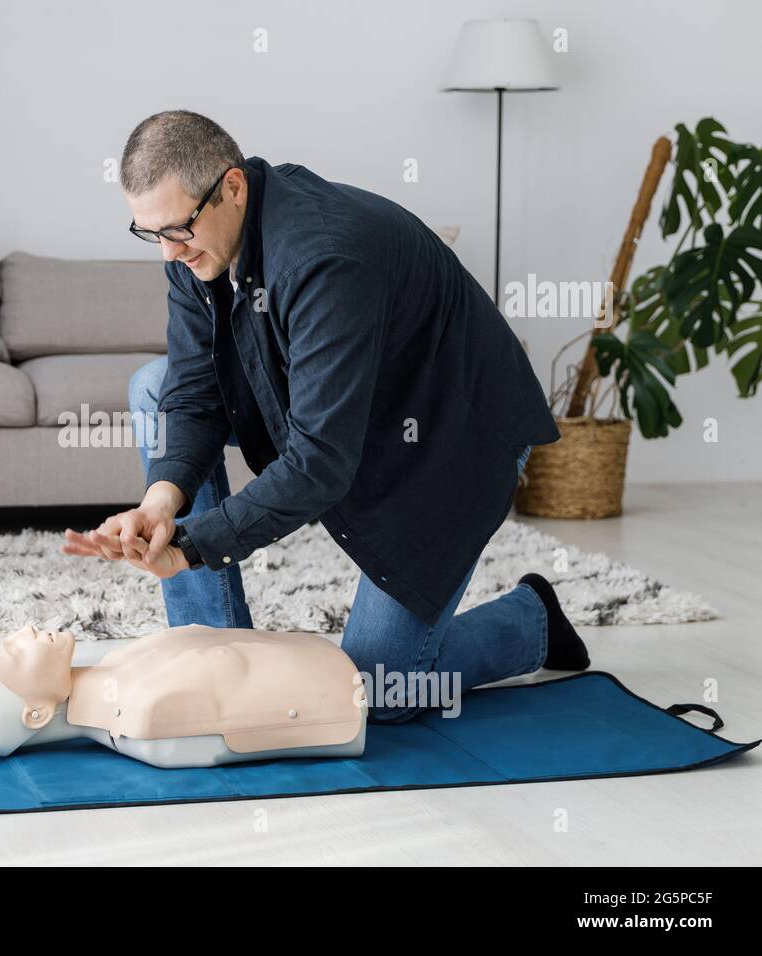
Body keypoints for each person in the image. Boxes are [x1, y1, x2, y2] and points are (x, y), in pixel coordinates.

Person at [62, 110, 589, 723]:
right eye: (150, 233)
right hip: (347, 409)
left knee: (379, 692)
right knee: (152, 385)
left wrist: (194, 544)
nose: (169, 252)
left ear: (232, 186)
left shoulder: (324, 257)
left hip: (449, 434)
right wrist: (161, 504)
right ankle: (210, 654)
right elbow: (191, 392)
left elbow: (318, 464)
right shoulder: (192, 250)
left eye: (177, 229)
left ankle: (532, 622)